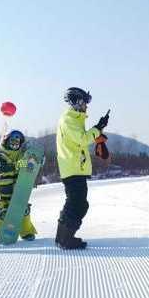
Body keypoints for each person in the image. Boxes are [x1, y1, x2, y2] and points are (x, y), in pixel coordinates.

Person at [55, 87, 108, 250]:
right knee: (76, 203)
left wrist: (98, 130)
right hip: (72, 168)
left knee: (77, 203)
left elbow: (81, 140)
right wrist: (97, 128)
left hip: (76, 167)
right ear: (77, 102)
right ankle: (64, 239)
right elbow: (82, 139)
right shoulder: (68, 119)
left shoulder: (75, 119)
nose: (87, 105)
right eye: (85, 101)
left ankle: (63, 237)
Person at [0, 130, 37, 241]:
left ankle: (26, 232)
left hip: (18, 188)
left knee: (23, 209)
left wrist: (36, 163)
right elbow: (1, 167)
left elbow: (28, 167)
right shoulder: (2, 154)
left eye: (17, 142)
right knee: (6, 211)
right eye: (12, 141)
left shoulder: (22, 155)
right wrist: (16, 165)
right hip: (5, 188)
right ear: (7, 141)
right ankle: (2, 233)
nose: (15, 144)